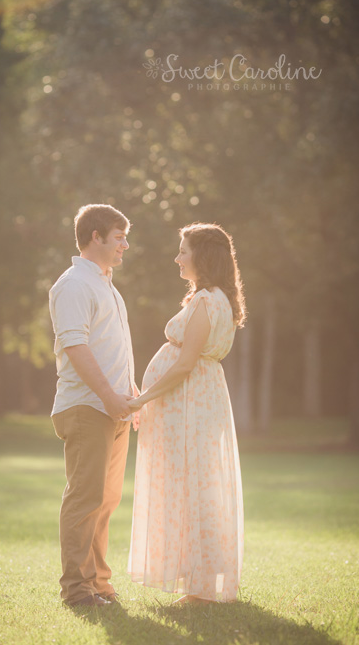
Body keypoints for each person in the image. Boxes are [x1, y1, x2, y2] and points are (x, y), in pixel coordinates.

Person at [126, 223, 245, 603]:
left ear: (202, 256)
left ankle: (201, 587)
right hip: (195, 399)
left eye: (183, 251)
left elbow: (184, 364)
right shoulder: (215, 298)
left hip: (191, 402)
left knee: (193, 487)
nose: (177, 258)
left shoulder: (208, 300)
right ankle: (197, 579)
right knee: (194, 486)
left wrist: (143, 399)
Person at [48, 203, 136, 609]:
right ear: (95, 236)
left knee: (105, 501)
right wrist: (108, 396)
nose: (125, 245)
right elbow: (76, 346)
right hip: (88, 407)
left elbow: (112, 350)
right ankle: (77, 590)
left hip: (114, 408)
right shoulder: (73, 285)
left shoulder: (107, 286)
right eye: (119, 237)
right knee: (85, 500)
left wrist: (131, 394)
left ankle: (99, 584)